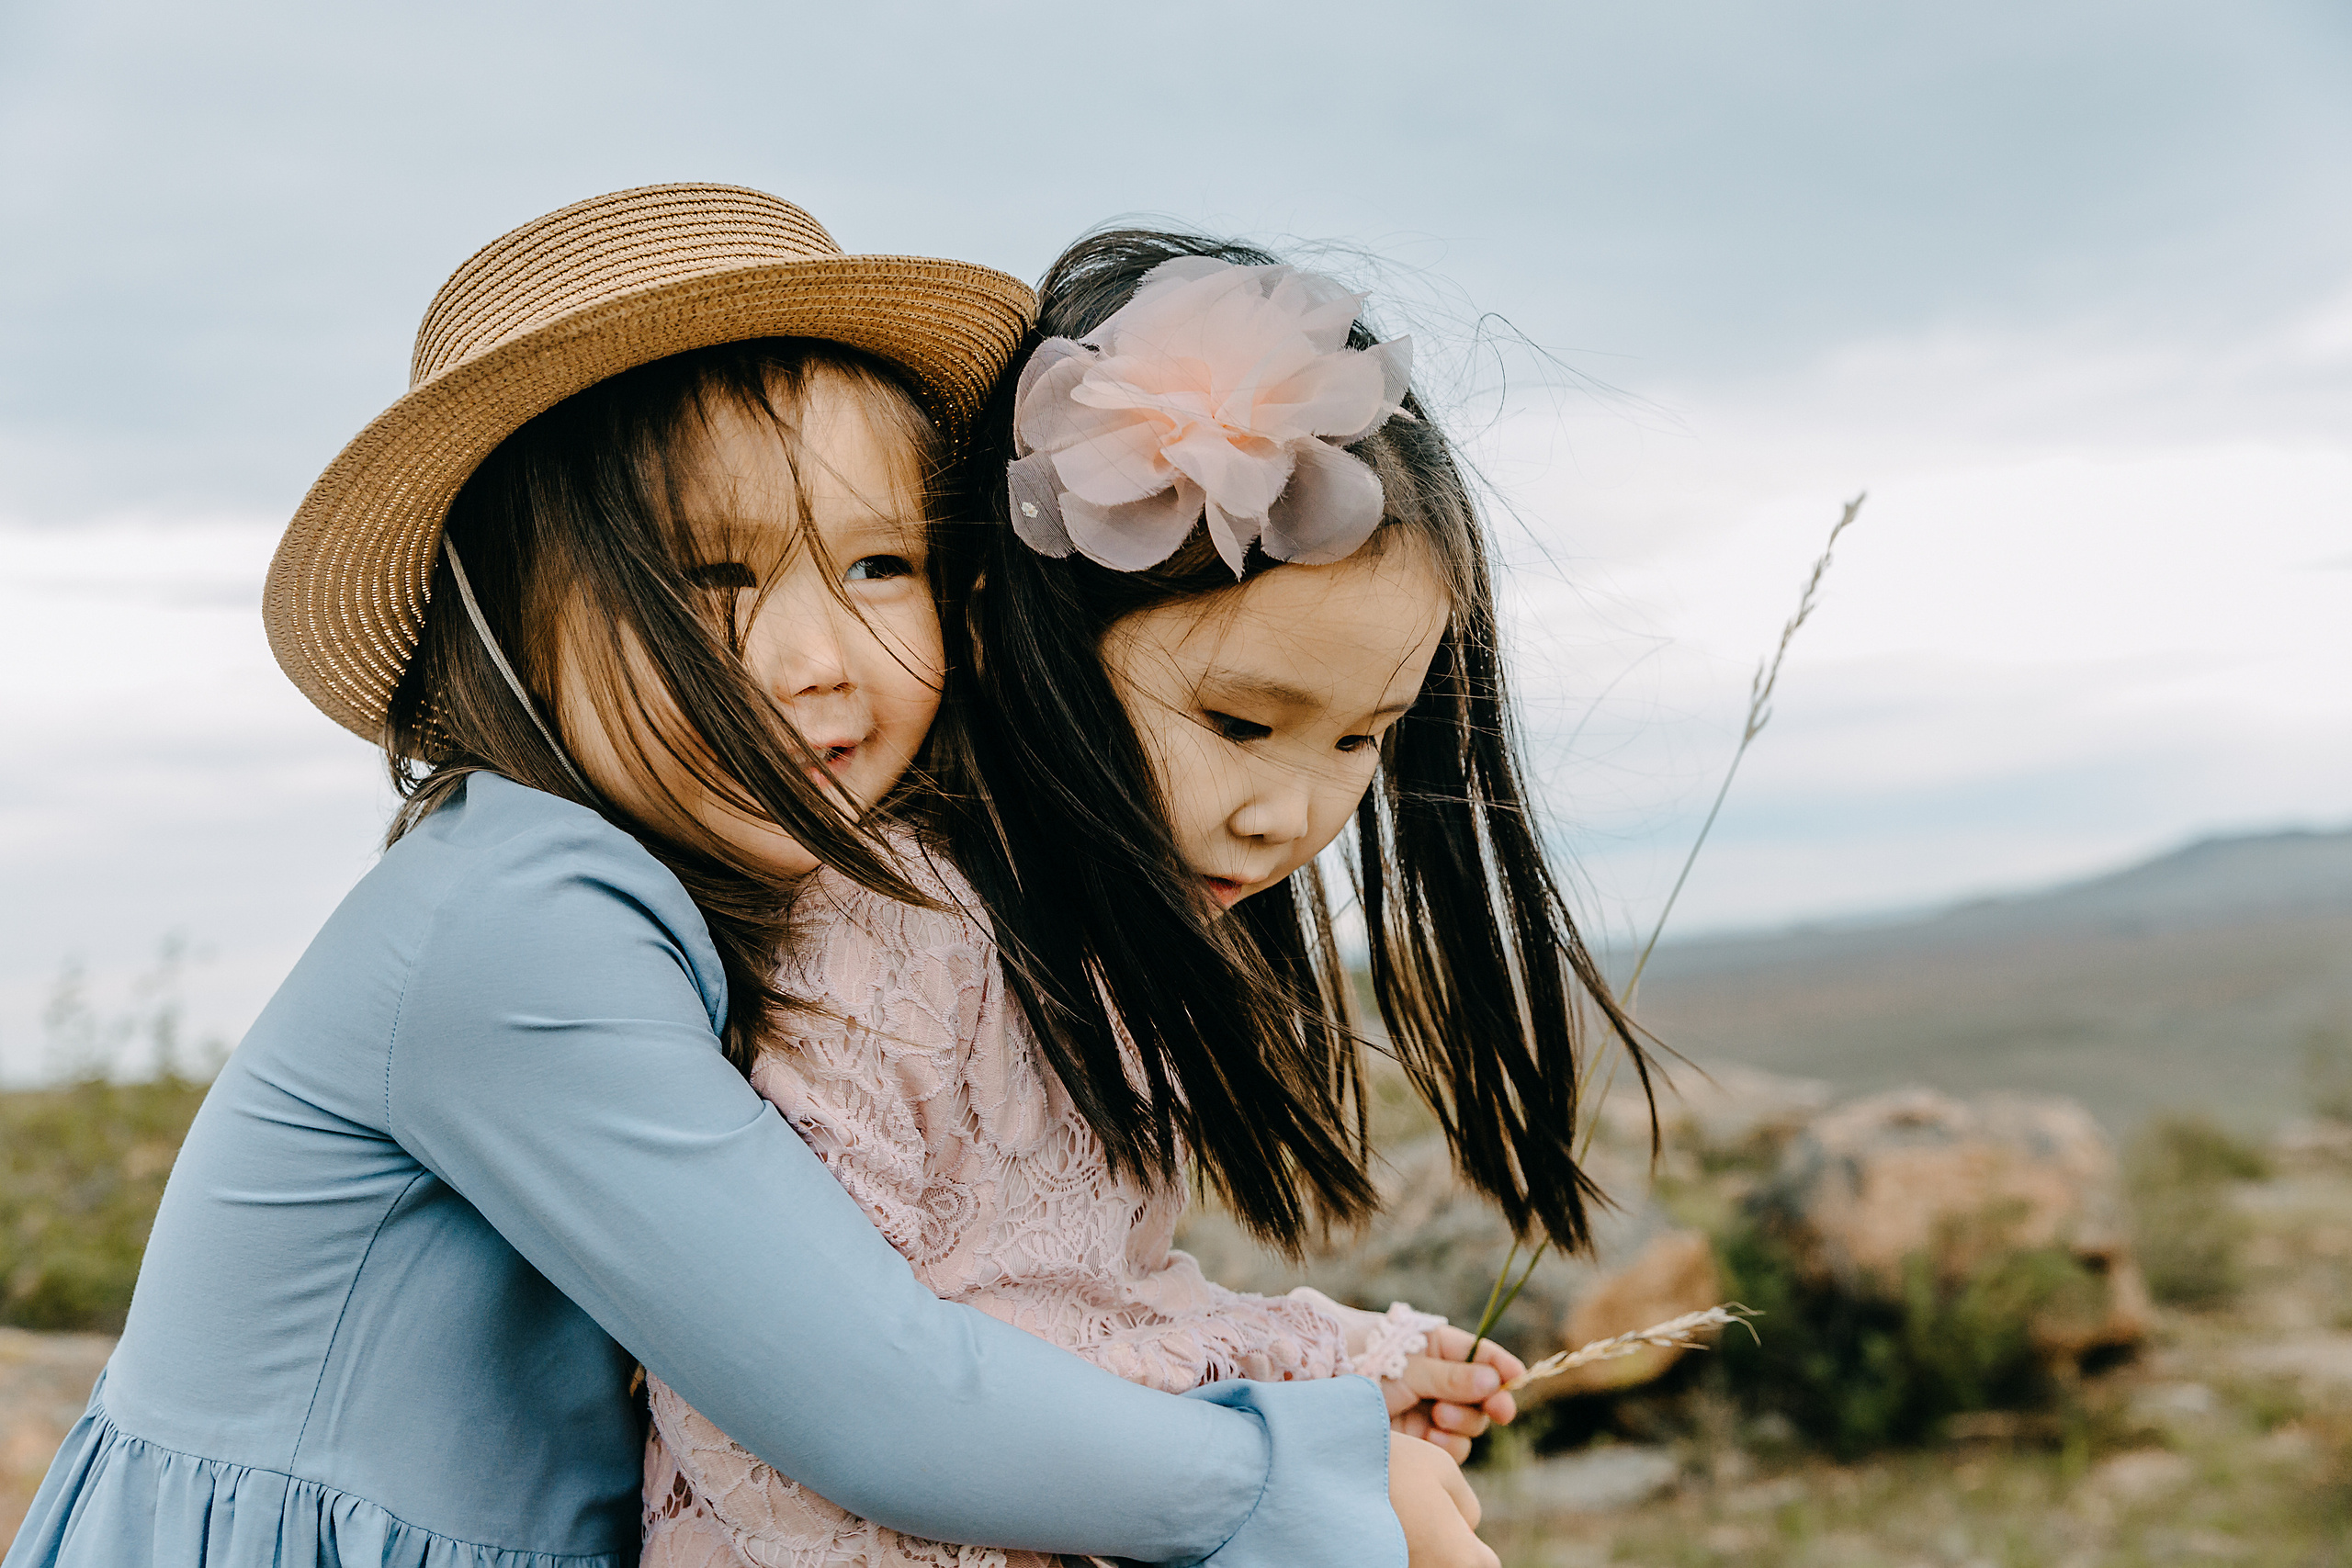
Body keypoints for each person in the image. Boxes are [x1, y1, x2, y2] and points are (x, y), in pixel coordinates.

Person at [3, 186, 1480, 1568]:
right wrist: (1300, 1479)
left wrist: (1319, 1358)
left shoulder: (726, 898)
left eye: (881, 564)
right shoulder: (513, 923)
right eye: (710, 581)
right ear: (504, 615)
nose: (816, 661)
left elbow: (1007, 1290)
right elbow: (873, 1394)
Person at [639, 232, 1650, 1568]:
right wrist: (1320, 1451)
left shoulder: (1070, 949)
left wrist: (1337, 1364)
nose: (1289, 811)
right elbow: (863, 1384)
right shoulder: (885, 953)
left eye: (1360, 741)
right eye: (1242, 720)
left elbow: (1078, 1302)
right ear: (1009, 630)